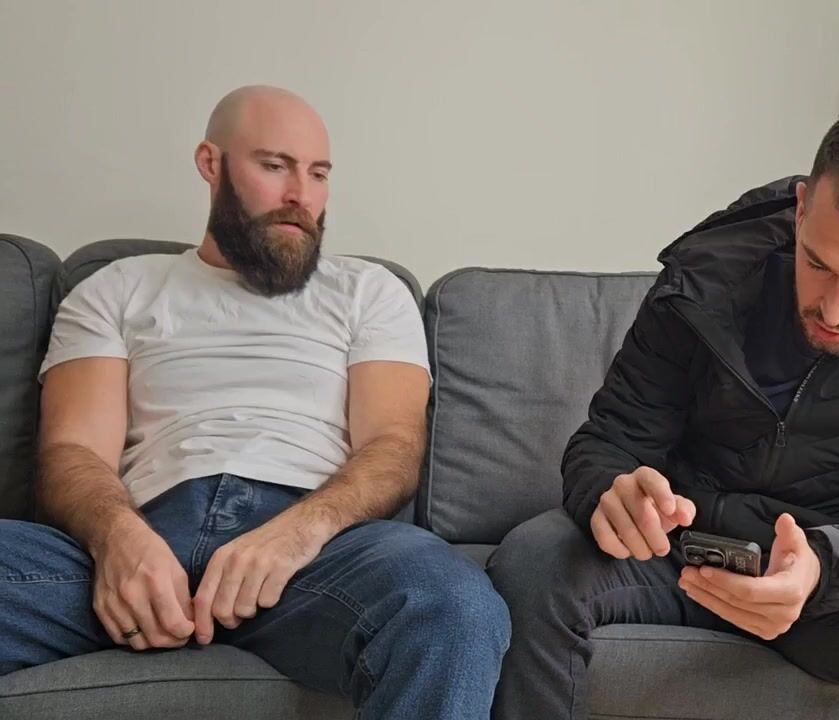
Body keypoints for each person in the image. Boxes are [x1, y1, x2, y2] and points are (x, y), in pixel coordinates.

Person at [488, 100, 839, 719]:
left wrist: (824, 567)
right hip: (674, 551)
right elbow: (611, 438)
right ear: (802, 209)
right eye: (817, 263)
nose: (834, 309)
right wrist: (612, 489)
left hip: (832, 582)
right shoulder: (707, 270)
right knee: (533, 562)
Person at [0, 85, 509, 720]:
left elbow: (393, 445)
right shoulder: (116, 288)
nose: (302, 194)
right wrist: (118, 539)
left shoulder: (368, 292)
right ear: (210, 164)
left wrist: (297, 535)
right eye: (274, 166)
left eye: (318, 173)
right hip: (142, 538)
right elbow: (73, 450)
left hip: (315, 557)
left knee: (455, 604)